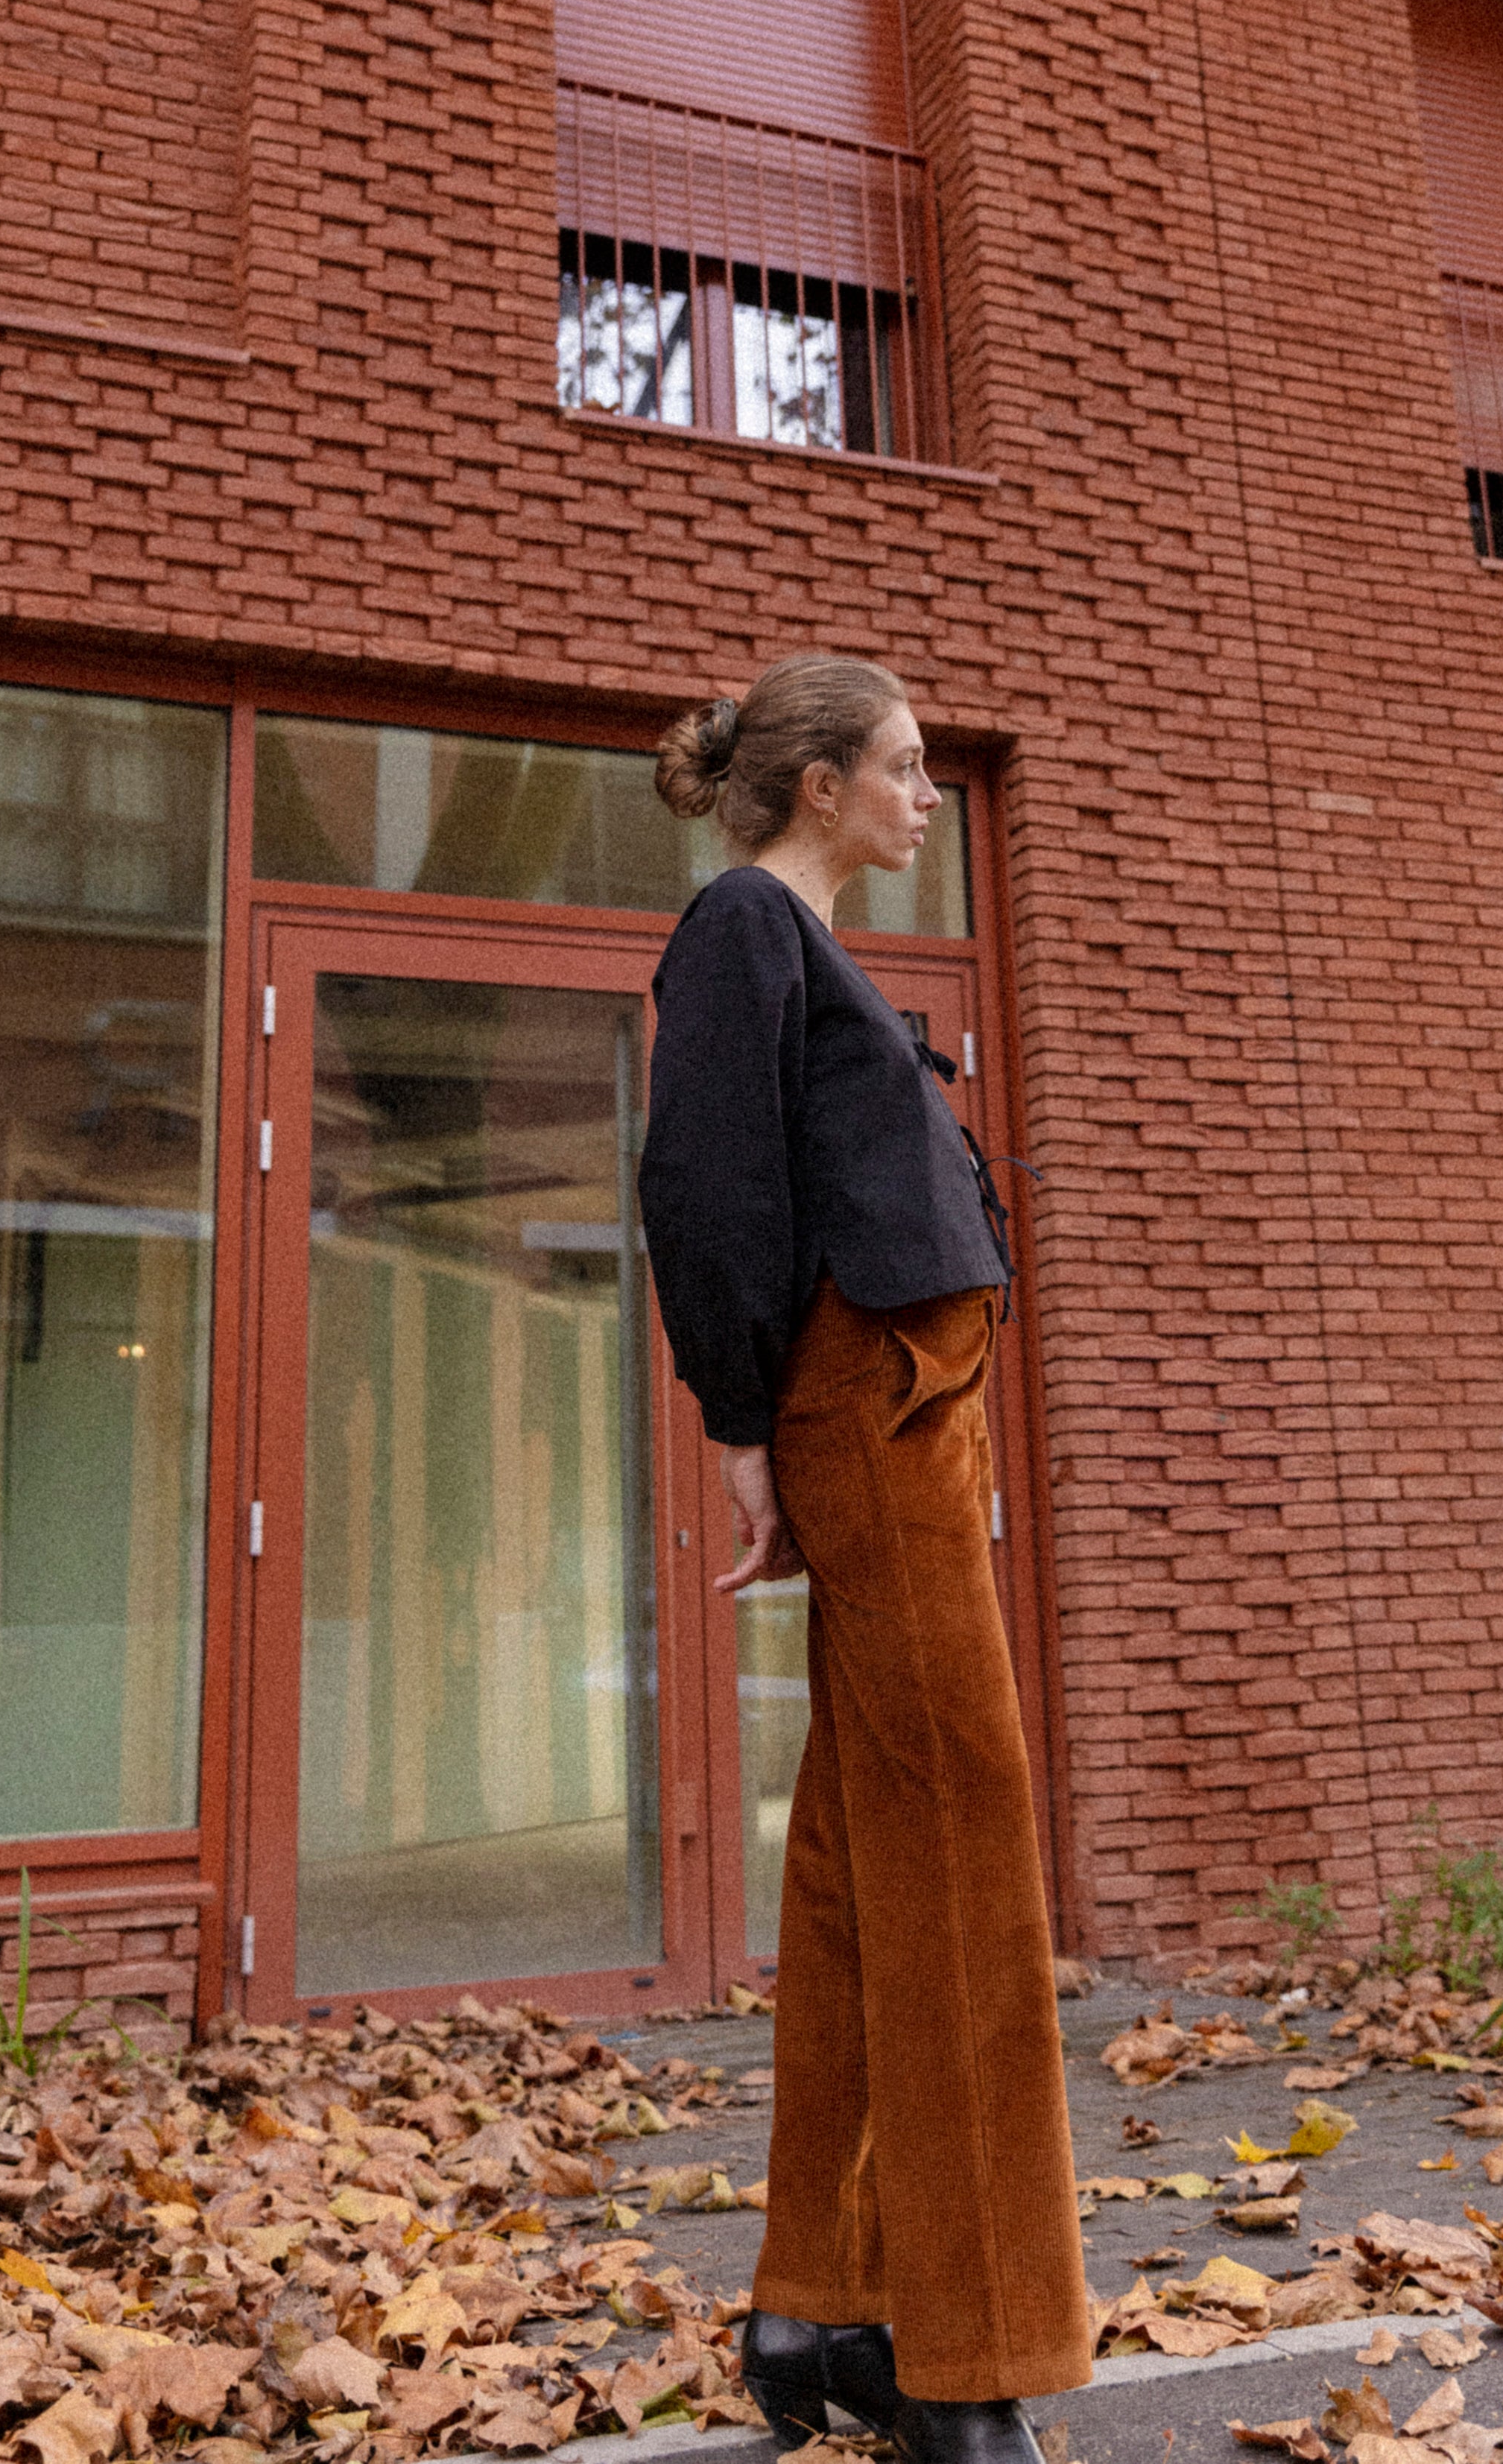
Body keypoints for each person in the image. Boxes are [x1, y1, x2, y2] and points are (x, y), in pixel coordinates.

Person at [638, 651, 1092, 2464]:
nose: (925, 793)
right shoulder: (744, 923)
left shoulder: (808, 946)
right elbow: (706, 1184)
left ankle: (817, 2293)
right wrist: (742, 1426)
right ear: (816, 781)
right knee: (965, 1822)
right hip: (862, 1402)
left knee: (855, 1841)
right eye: (902, 767)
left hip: (916, 1404)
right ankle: (968, 2352)